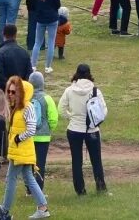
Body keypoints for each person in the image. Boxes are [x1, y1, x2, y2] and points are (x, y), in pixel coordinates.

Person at [3, 75, 50, 218]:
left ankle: (4, 210)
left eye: (13, 92)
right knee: (28, 177)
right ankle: (43, 208)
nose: (10, 94)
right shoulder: (16, 107)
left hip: (21, 151)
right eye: (9, 91)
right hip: (19, 150)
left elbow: (31, 129)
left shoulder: (27, 107)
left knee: (10, 179)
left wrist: (18, 138)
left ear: (21, 92)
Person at [58, 63, 107, 195]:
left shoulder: (69, 90)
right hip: (92, 129)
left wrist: (71, 117)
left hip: (74, 129)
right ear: (89, 74)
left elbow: (61, 109)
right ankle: (101, 186)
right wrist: (95, 121)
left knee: (76, 161)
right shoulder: (95, 91)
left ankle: (80, 190)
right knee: (96, 160)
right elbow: (104, 111)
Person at [28, 71, 59, 185]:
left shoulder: (26, 98)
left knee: (29, 164)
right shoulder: (47, 98)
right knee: (40, 164)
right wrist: (49, 128)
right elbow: (53, 117)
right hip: (43, 137)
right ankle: (39, 189)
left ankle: (29, 189)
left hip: (28, 136)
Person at [30, 0, 62, 72]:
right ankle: (48, 66)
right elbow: (58, 5)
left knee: (37, 42)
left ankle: (33, 65)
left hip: (40, 19)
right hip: (52, 18)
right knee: (51, 42)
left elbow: (33, 6)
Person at [0, 23, 32, 91]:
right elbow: (29, 73)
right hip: (20, 91)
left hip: (4, 92)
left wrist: (11, 88)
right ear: (15, 35)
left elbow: (0, 76)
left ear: (3, 34)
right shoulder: (24, 52)